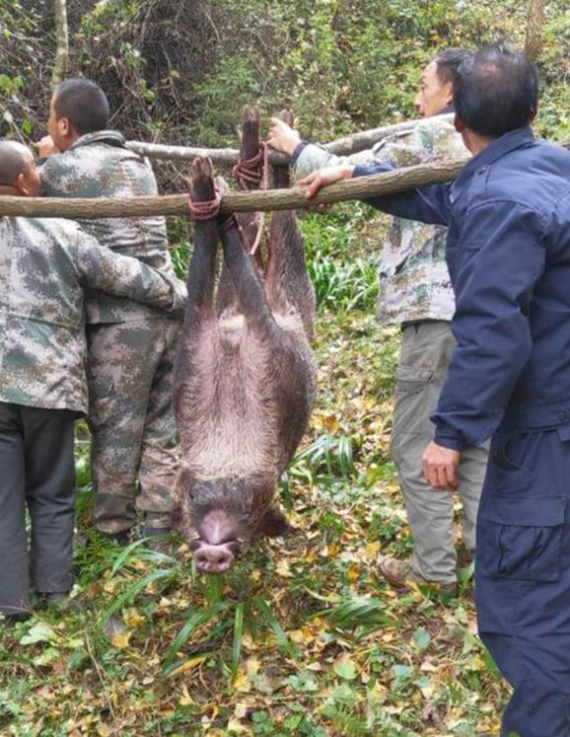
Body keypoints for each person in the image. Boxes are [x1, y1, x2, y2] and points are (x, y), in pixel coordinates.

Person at [298, 44, 570, 737]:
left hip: (548, 435)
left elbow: (494, 332)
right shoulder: (547, 171)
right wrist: (355, 173)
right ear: (534, 113)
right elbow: (439, 192)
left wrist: (450, 432)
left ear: (454, 119)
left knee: (528, 610)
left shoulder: (500, 203)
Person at [0, 140, 186, 620]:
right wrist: (185, 296)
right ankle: (57, 592)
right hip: (48, 388)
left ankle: (10, 606)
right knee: (52, 490)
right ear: (25, 182)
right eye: (35, 170)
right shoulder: (60, 232)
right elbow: (126, 275)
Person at [268, 48, 487, 593]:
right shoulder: (491, 142)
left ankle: (434, 570)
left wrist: (294, 148)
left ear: (451, 95)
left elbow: (353, 173)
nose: (417, 97)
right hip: (485, 317)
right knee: (479, 440)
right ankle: (492, 564)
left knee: (419, 442)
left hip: (435, 320)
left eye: (424, 85)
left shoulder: (433, 134)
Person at [38, 79, 183, 543]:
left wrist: (45, 160)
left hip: (122, 322)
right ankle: (159, 528)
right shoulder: (137, 163)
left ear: (64, 123)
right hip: (170, 309)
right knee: (162, 427)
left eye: (50, 117)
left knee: (117, 430)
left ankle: (113, 532)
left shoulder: (63, 169)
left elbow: (19, 184)